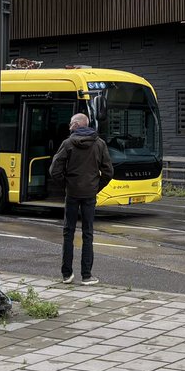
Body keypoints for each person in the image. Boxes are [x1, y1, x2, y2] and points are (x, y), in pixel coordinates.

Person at [49, 113, 113, 286]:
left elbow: (54, 170)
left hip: (72, 194)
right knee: (88, 234)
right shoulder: (99, 144)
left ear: (77, 125)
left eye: (71, 123)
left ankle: (67, 275)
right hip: (89, 195)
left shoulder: (68, 144)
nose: (69, 126)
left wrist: (66, 184)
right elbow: (108, 172)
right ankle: (86, 276)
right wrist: (95, 187)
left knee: (68, 233)